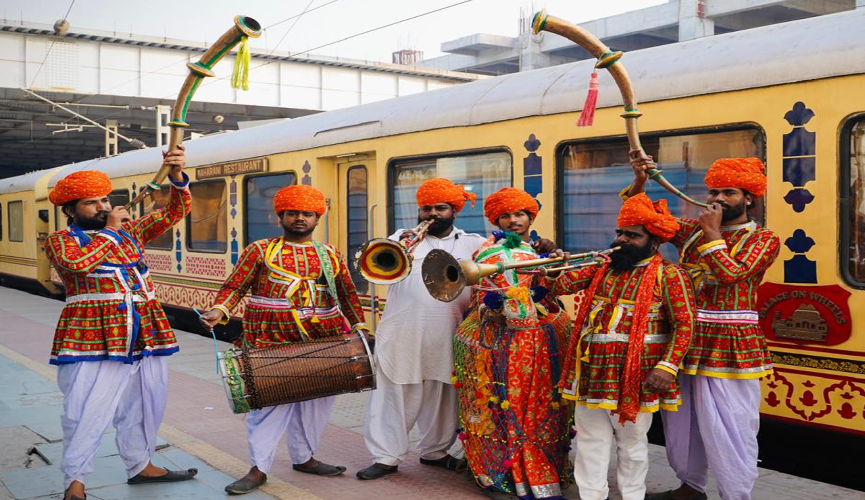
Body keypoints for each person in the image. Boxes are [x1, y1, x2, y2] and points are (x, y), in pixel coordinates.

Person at [45, 146, 196, 500]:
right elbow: (79, 264)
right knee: (84, 408)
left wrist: (176, 177)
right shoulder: (61, 240)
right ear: (70, 211)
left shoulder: (131, 232)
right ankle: (75, 482)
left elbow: (177, 210)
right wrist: (113, 231)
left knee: (146, 401)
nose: (103, 208)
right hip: (90, 335)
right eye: (92, 204)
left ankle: (141, 464)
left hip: (145, 329)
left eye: (105, 201)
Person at [198, 184, 368, 495]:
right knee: (268, 403)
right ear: (281, 216)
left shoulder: (330, 254)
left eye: (307, 213)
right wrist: (219, 310)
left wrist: (359, 325)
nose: (300, 218)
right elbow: (234, 286)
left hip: (324, 335)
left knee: (317, 399)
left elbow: (346, 293)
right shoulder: (260, 250)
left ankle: (304, 458)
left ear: (317, 218)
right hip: (270, 335)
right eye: (293, 213)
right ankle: (258, 467)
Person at [629, 156, 780, 500]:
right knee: (682, 424)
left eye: (729, 192)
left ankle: (735, 494)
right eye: (714, 191)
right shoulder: (692, 231)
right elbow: (642, 219)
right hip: (684, 339)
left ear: (749, 199)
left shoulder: (765, 239)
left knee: (730, 426)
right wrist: (639, 181)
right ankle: (690, 486)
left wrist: (711, 233)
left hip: (731, 343)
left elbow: (730, 274)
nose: (719, 199)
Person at [549, 193, 695, 500]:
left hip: (638, 375)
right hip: (591, 371)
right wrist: (554, 264)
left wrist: (667, 367)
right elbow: (560, 287)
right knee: (590, 440)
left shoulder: (669, 275)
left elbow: (685, 324)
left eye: (632, 235)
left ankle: (632, 496)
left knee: (632, 441)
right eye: (619, 232)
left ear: (653, 242)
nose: (621, 239)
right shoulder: (602, 267)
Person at [356, 177, 486, 480]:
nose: (431, 214)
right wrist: (404, 242)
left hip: (449, 332)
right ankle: (386, 457)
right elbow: (379, 269)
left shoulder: (473, 243)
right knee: (395, 394)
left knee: (443, 395)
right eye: (426, 208)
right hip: (404, 332)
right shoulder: (403, 238)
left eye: (440, 208)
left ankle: (436, 451)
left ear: (454, 211)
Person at [454, 187, 574, 500]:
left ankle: (541, 474)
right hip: (498, 342)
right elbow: (478, 296)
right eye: (505, 215)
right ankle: (497, 476)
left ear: (530, 217)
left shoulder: (540, 249)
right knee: (497, 405)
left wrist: (555, 261)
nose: (513, 220)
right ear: (496, 219)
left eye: (519, 214)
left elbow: (552, 289)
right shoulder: (485, 252)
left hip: (537, 344)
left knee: (540, 407)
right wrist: (493, 307)